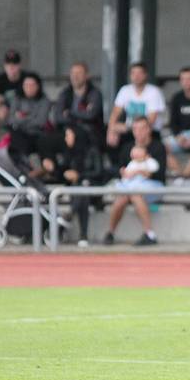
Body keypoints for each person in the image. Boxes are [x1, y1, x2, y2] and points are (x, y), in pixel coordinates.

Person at [103, 117, 167, 247]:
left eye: (142, 128)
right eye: (135, 129)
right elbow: (120, 168)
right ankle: (110, 232)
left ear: (148, 129)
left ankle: (150, 234)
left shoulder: (158, 147)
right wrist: (123, 172)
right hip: (131, 186)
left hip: (154, 186)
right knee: (122, 197)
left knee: (135, 194)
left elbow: (159, 172)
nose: (138, 132)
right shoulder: (127, 147)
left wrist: (142, 172)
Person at [40, 62, 104, 176]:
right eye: (73, 73)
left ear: (87, 76)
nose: (75, 76)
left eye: (79, 73)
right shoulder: (65, 93)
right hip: (66, 130)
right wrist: (71, 127)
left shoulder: (95, 93)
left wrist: (69, 113)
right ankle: (53, 170)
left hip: (89, 133)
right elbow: (58, 116)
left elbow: (91, 115)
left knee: (77, 139)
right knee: (45, 140)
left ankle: (75, 174)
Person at [107, 62, 166, 166]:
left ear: (145, 75)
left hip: (150, 131)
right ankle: (118, 171)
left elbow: (150, 121)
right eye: (133, 73)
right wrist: (111, 131)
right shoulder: (125, 90)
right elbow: (115, 113)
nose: (136, 76)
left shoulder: (153, 91)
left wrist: (133, 129)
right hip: (130, 130)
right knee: (109, 137)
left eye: (139, 73)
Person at [58, 126, 104, 247]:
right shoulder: (68, 152)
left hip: (93, 190)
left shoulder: (92, 150)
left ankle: (68, 217)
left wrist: (79, 175)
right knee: (81, 193)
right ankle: (83, 235)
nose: (66, 138)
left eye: (69, 135)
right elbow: (61, 175)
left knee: (83, 188)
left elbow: (99, 173)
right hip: (76, 191)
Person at [7, 73, 51, 169]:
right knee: (16, 135)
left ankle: (28, 164)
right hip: (20, 133)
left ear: (38, 86)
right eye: (26, 85)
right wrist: (31, 117)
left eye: (32, 85)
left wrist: (21, 118)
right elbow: (10, 120)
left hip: (37, 134)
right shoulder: (17, 99)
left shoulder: (44, 100)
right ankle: (28, 162)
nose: (29, 88)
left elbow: (41, 122)